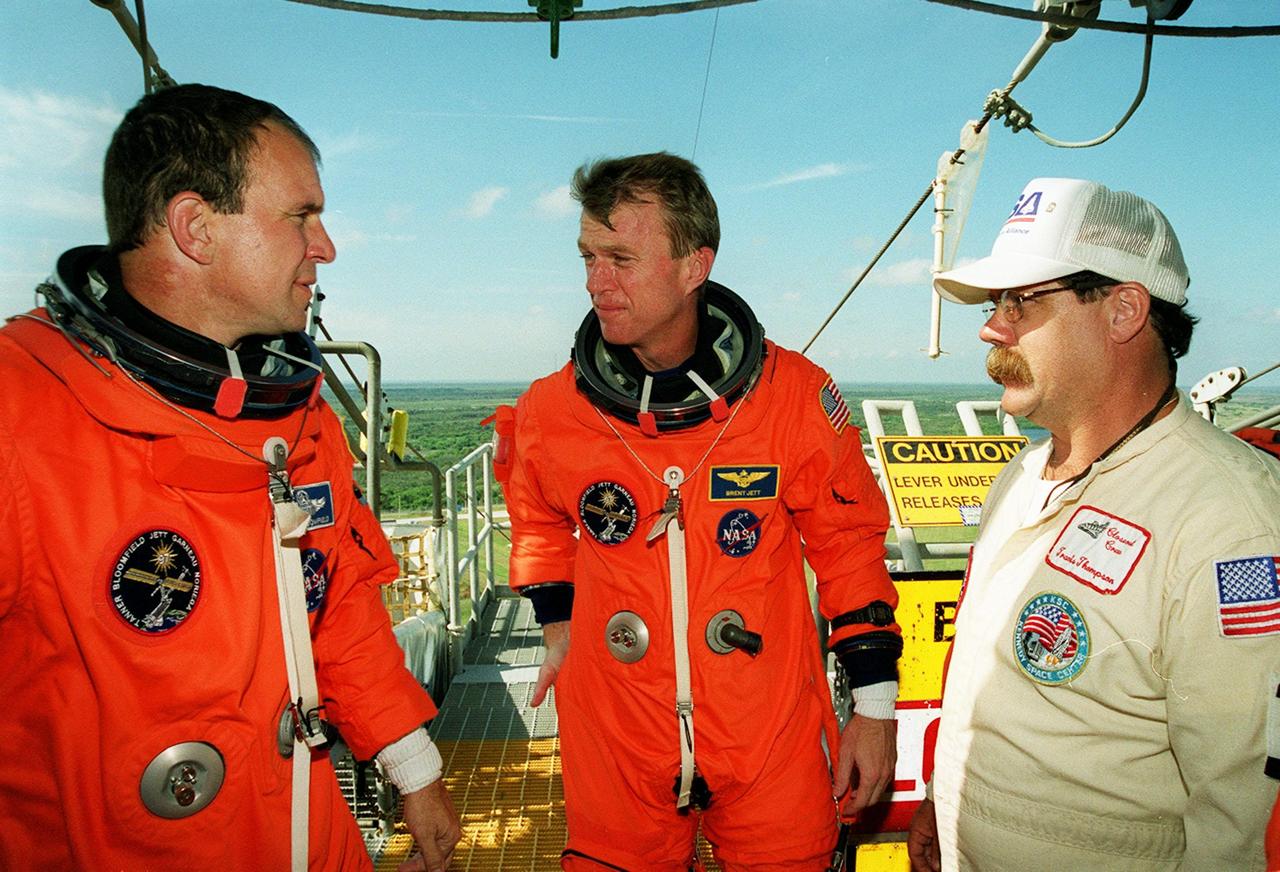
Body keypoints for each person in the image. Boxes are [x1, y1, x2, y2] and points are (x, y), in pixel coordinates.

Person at [0, 84, 460, 871]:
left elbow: (336, 601)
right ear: (195, 227)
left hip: (312, 839)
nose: (326, 246)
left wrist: (411, 766)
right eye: (300, 216)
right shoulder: (22, 411)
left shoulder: (296, 419)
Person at [491, 152, 903, 870]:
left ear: (693, 266)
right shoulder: (550, 410)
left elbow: (850, 548)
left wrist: (874, 712)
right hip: (618, 737)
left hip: (767, 734)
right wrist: (557, 621)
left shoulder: (793, 398)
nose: (595, 282)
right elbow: (534, 513)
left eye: (620, 257)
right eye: (587, 256)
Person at [909, 177, 1280, 870]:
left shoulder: (1232, 523)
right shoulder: (1019, 479)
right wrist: (945, 799)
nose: (993, 327)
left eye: (1021, 300)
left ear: (1124, 310)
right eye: (995, 303)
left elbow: (1242, 824)